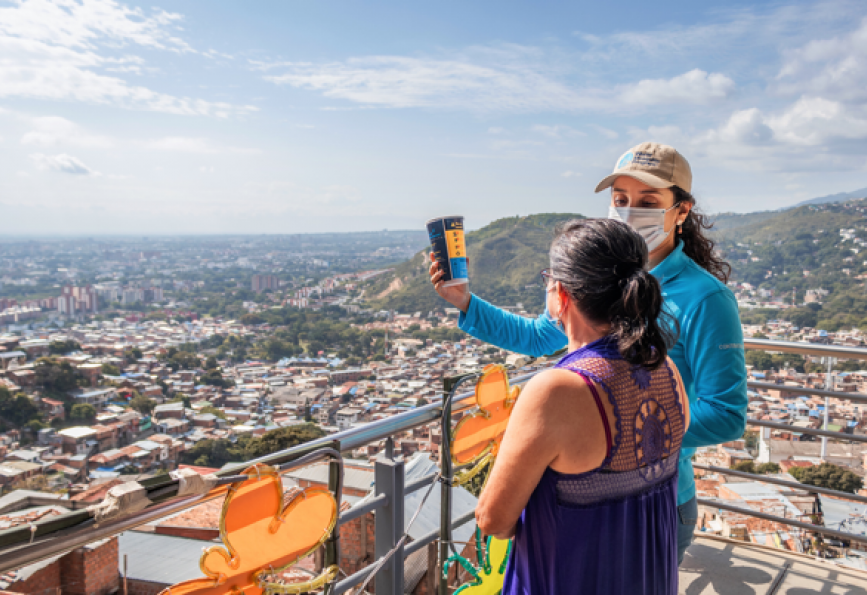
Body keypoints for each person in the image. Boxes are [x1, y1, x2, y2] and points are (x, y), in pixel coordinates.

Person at [430, 142, 747, 563]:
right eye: (620, 200)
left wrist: (621, 433)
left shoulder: (707, 300)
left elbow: (727, 415)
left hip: (659, 493)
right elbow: (542, 337)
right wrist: (465, 302)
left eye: (648, 201)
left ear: (682, 210)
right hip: (581, 488)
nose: (631, 211)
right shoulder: (601, 274)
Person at [474, 218, 690, 594]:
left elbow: (493, 520)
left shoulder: (557, 391)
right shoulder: (664, 367)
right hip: (648, 575)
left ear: (561, 294)